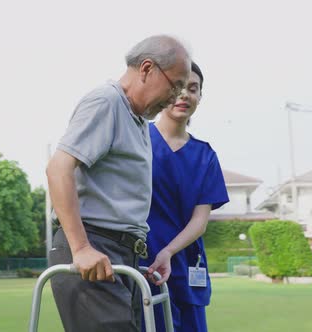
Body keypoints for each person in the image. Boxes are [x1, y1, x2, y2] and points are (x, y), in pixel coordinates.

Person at [46, 35, 191, 332]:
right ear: (147, 69)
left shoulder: (137, 120)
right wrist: (82, 247)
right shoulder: (107, 101)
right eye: (174, 85)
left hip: (122, 253)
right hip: (93, 247)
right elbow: (58, 169)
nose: (176, 97)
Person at [141, 62, 229, 332]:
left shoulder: (205, 156)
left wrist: (168, 251)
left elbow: (199, 221)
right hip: (141, 262)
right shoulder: (137, 140)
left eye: (193, 89)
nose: (184, 95)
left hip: (186, 265)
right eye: (178, 86)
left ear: (200, 97)